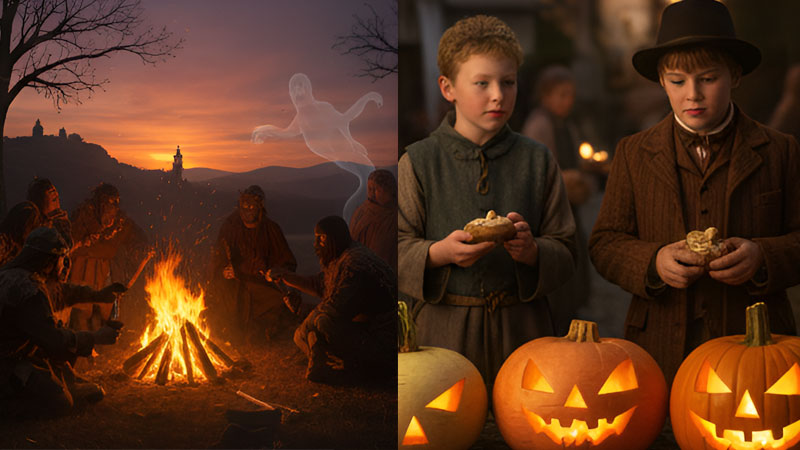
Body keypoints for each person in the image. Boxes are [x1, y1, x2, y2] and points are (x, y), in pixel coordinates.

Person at [589, 0, 800, 385]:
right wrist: (653, 261)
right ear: (660, 81)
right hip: (659, 349)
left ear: (734, 75)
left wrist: (763, 255)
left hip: (758, 350)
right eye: (678, 81)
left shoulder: (780, 150)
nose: (693, 95)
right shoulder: (633, 153)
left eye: (708, 78)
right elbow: (604, 243)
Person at [397, 15, 577, 386]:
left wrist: (532, 251)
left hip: (524, 334)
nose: (498, 94)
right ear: (448, 88)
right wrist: (439, 253)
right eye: (482, 83)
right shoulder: (418, 161)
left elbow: (567, 249)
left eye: (508, 82)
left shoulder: (538, 159)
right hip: (443, 338)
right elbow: (392, 248)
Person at [0, 227, 123, 418]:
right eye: (61, 259)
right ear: (50, 260)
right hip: (7, 364)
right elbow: (54, 339)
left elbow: (63, 293)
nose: (64, 265)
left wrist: (99, 295)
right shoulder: (27, 290)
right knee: (60, 403)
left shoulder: (15, 275)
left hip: (16, 354)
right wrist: (96, 337)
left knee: (60, 365)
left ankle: (56, 380)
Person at [267, 216, 395, 383]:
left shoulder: (354, 265)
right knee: (310, 330)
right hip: (365, 329)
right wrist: (285, 276)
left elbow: (336, 309)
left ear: (334, 238)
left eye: (321, 238)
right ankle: (326, 360)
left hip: (383, 339)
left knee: (318, 325)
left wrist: (304, 316)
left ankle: (356, 369)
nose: (316, 244)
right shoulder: (341, 257)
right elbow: (320, 284)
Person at [522, 65, 593, 335]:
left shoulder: (566, 125)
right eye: (562, 95)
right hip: (551, 211)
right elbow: (538, 172)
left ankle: (573, 312)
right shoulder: (539, 125)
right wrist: (567, 179)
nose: (568, 101)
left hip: (570, 208)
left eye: (571, 95)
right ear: (546, 95)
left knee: (576, 260)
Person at [209, 185, 300, 345]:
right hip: (234, 283)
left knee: (279, 302)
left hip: (261, 284)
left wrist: (276, 272)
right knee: (219, 298)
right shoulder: (230, 227)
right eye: (244, 206)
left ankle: (260, 331)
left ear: (260, 208)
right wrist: (223, 270)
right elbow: (218, 256)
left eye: (252, 206)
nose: (248, 210)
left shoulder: (271, 229)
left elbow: (288, 262)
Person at [68, 183, 148, 331]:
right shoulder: (83, 218)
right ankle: (81, 345)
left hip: (106, 272)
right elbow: (69, 245)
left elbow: (138, 238)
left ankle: (98, 345)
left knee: (103, 312)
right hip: (83, 270)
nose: (110, 208)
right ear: (99, 203)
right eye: (106, 203)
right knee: (82, 312)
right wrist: (84, 243)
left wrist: (145, 246)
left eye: (114, 203)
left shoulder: (120, 223)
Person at [349, 169, 397, 272]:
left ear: (389, 191)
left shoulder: (395, 216)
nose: (372, 194)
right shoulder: (362, 211)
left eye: (376, 189)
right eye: (369, 189)